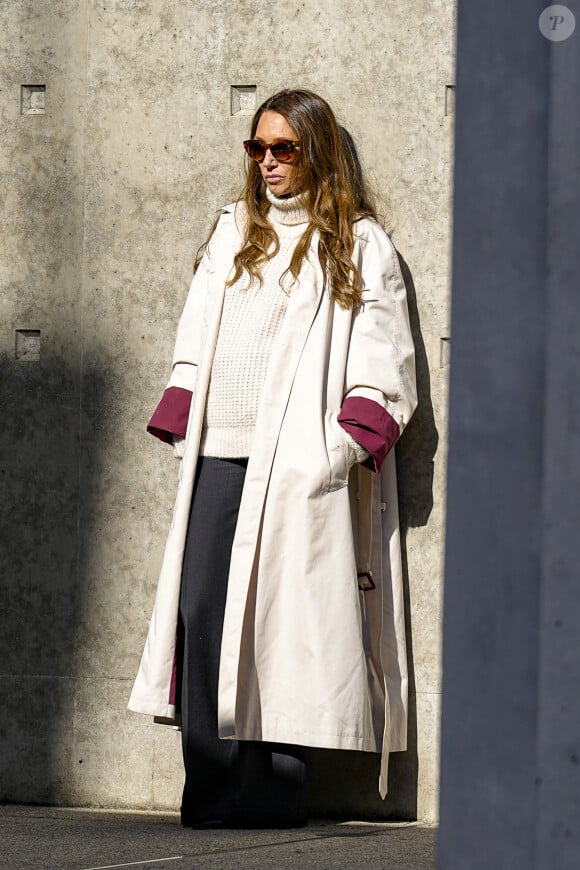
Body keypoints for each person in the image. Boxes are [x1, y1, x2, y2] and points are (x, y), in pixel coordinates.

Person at [128, 88, 417, 828]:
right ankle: (212, 789)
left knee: (282, 629)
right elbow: (195, 340)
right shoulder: (233, 234)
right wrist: (182, 409)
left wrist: (332, 455)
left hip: (294, 471)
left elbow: (385, 368)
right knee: (202, 613)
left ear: (316, 152)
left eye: (283, 148)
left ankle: (272, 794)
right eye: (257, 148)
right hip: (218, 461)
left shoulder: (359, 243)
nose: (267, 163)